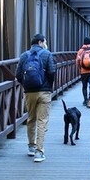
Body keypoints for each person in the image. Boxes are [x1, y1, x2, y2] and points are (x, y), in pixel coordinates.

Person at [16, 33, 57, 162]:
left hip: (29, 92)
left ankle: (31, 147)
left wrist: (26, 86)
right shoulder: (47, 54)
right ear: (40, 42)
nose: (45, 44)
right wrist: (49, 87)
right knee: (42, 121)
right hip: (44, 92)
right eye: (44, 42)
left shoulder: (24, 56)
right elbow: (51, 72)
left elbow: (18, 75)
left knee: (31, 119)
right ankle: (39, 152)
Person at [75, 37, 90, 107]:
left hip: (83, 72)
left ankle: (85, 100)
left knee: (84, 86)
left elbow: (77, 61)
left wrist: (80, 67)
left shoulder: (80, 51)